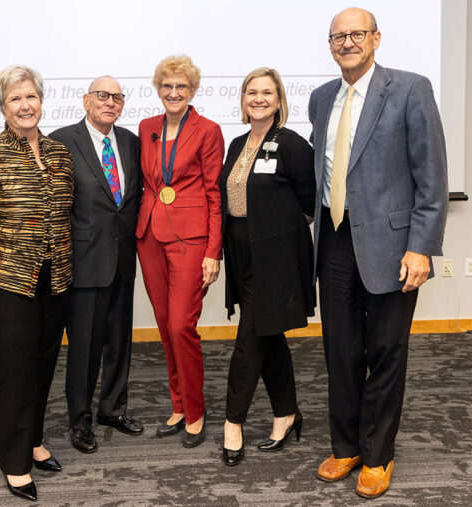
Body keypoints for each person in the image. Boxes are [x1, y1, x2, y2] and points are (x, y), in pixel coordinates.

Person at [309, 7, 448, 499]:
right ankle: (345, 446)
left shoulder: (411, 89)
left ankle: (377, 454)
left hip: (393, 245)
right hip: (334, 238)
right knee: (340, 352)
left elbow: (431, 178)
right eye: (338, 36)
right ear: (330, 45)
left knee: (386, 352)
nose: (347, 42)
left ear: (376, 38)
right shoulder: (321, 97)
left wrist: (422, 248)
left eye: (356, 34)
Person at [0, 64, 74, 502]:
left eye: (31, 97)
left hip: (56, 280)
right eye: (15, 99)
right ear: (3, 107)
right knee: (12, 373)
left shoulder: (60, 154)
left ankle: (35, 439)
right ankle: (15, 462)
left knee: (43, 365)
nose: (25, 106)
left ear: (41, 101)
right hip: (8, 285)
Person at [218, 68, 316, 466]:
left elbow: (311, 205)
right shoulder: (238, 143)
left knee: (249, 342)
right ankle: (286, 413)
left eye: (267, 93)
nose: (258, 99)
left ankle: (232, 422)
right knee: (268, 333)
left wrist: (278, 236)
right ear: (243, 99)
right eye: (251, 92)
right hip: (241, 251)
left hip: (274, 257)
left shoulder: (292, 144)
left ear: (279, 101)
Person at [49, 76, 144, 453]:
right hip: (85, 261)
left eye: (117, 97)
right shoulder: (61, 140)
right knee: (85, 347)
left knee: (120, 341)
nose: (110, 102)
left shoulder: (129, 142)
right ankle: (80, 420)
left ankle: (112, 409)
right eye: (102, 96)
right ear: (86, 101)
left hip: (124, 258)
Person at [137, 54, 224, 448]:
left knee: (180, 325)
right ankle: (177, 404)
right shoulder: (146, 127)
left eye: (181, 87)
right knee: (163, 326)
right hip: (150, 236)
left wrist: (213, 251)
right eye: (167, 86)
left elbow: (213, 194)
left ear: (192, 91)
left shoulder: (207, 130)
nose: (174, 93)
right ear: (158, 90)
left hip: (191, 240)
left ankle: (195, 409)